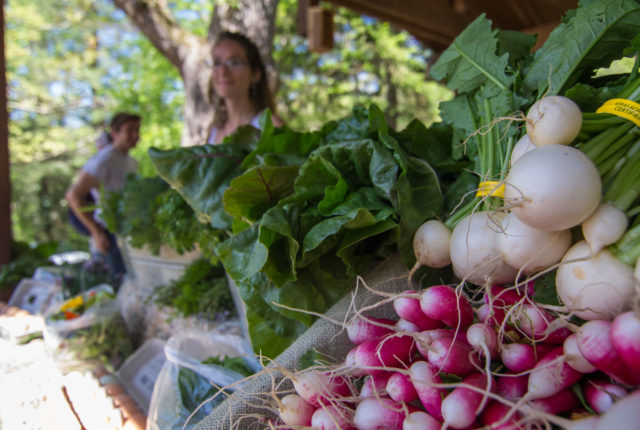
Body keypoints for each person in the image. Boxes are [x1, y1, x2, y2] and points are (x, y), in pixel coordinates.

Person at [66, 112, 141, 285]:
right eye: (129, 130)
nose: (136, 136)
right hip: (108, 236)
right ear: (114, 133)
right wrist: (96, 232)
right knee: (113, 288)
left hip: (125, 233)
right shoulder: (104, 160)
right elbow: (73, 195)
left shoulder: (130, 162)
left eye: (137, 130)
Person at [207, 31, 284, 145]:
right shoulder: (214, 130)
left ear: (255, 74)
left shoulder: (271, 126)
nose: (223, 72)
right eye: (217, 63)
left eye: (234, 62)